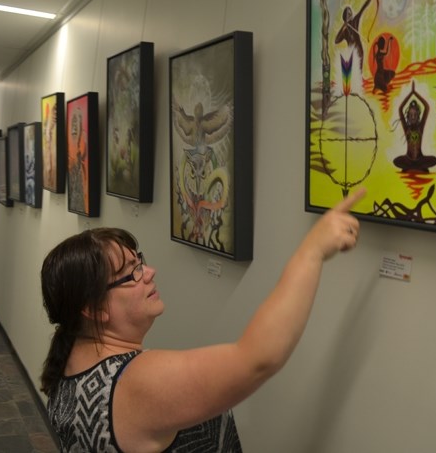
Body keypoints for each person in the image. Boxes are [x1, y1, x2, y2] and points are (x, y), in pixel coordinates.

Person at [40, 189, 365, 452]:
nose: (149, 273)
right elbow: (258, 358)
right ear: (95, 310)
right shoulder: (135, 384)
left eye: (140, 261)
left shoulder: (71, 363)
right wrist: (312, 251)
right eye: (130, 273)